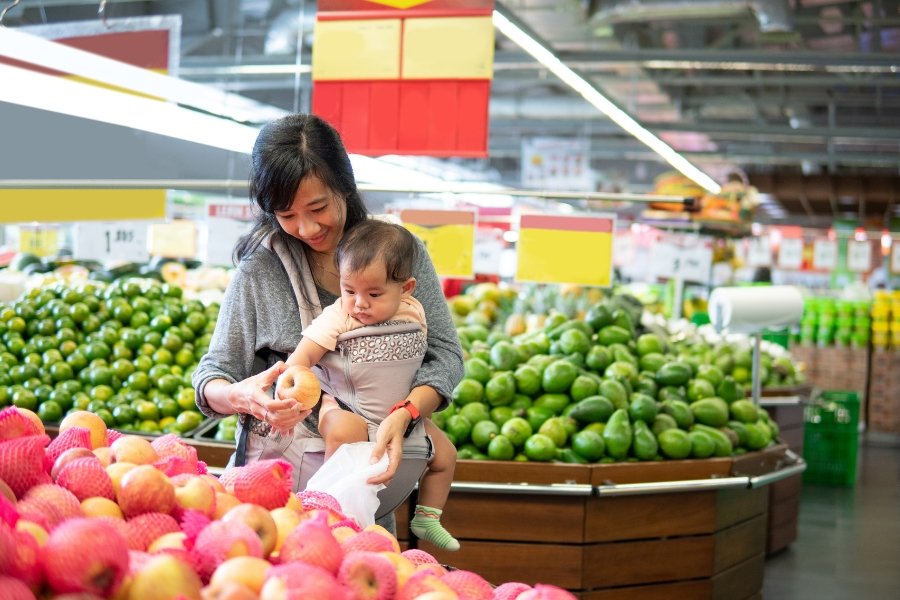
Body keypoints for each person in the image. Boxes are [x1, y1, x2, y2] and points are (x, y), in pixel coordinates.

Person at [191, 114, 464, 534]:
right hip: (274, 502)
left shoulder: (400, 254)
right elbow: (213, 373)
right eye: (287, 214)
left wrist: (405, 414)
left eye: (318, 208)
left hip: (368, 497)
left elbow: (445, 354)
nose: (307, 227)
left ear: (345, 184)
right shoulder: (260, 269)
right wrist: (240, 396)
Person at [279, 219, 459, 550]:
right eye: (349, 291)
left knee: (445, 454)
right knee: (345, 437)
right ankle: (331, 509)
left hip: (399, 411)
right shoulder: (339, 316)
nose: (359, 303)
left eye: (374, 294)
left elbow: (446, 356)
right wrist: (291, 381)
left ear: (406, 289)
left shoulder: (414, 311)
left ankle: (428, 517)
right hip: (349, 406)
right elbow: (301, 358)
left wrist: (410, 410)